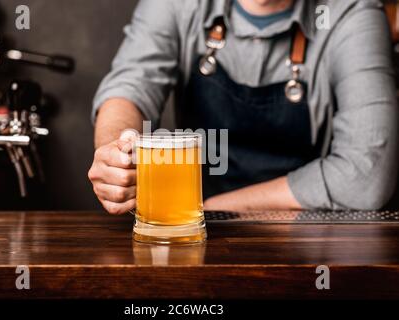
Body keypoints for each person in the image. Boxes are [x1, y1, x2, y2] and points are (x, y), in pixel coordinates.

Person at [88, 0, 398, 214]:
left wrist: (214, 208)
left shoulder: (350, 11)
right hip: (201, 232)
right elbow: (130, 87)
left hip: (307, 233)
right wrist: (117, 151)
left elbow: (365, 175)